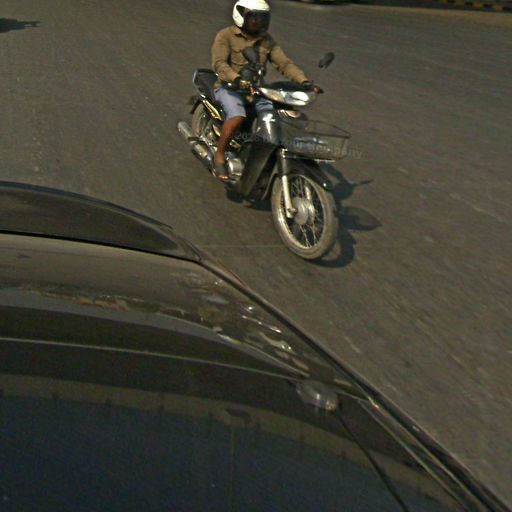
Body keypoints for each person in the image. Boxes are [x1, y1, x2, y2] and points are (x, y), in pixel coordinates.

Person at [211, 0, 321, 181]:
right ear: (241, 16)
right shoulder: (225, 36)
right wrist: (237, 79)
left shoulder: (267, 41)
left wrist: (305, 82)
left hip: (256, 90)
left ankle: (260, 153)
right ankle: (220, 155)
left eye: (263, 18)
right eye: (254, 18)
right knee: (237, 116)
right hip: (229, 88)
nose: (259, 22)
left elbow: (284, 64)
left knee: (275, 117)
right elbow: (219, 64)